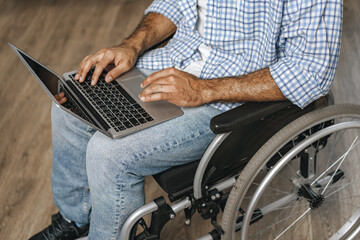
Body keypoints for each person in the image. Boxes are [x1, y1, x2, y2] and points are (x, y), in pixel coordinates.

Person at [29, 0, 342, 239]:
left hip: (229, 100)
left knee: (107, 154)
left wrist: (205, 90)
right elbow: (176, 3)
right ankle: (74, 218)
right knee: (71, 108)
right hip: (171, 65)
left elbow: (310, 72)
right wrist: (131, 45)